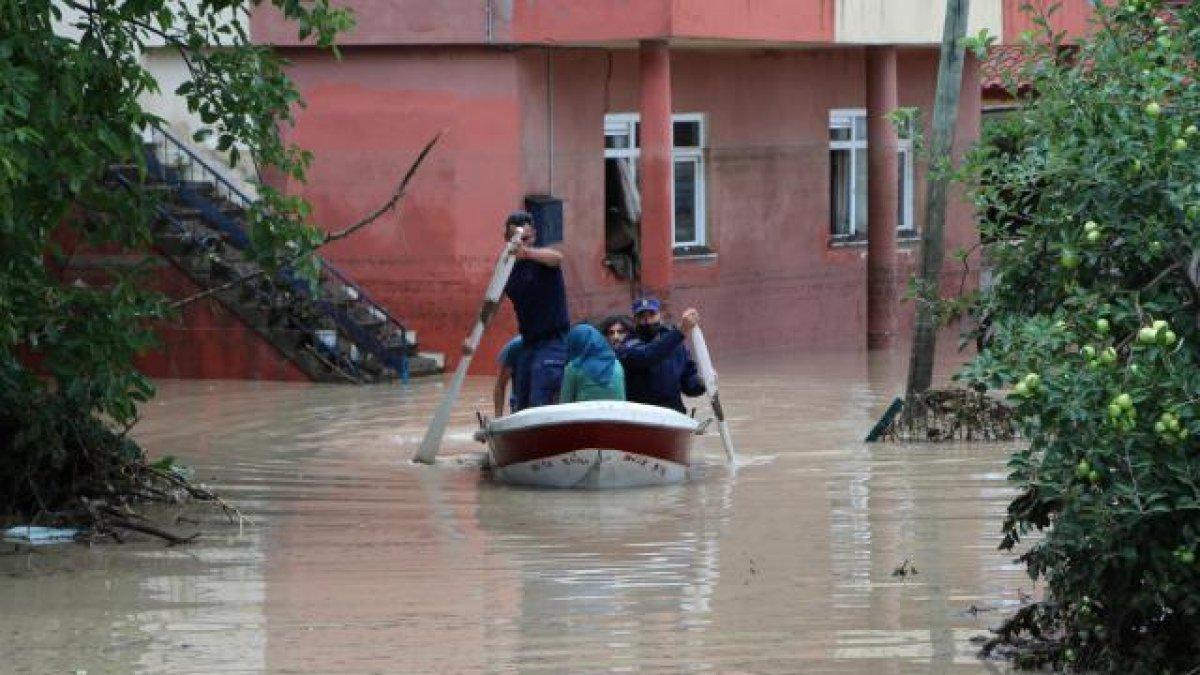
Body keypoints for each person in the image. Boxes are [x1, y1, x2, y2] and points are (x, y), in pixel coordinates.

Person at [502, 210, 569, 409]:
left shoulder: (543, 260)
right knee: (521, 401)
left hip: (554, 340)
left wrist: (527, 252)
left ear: (534, 236)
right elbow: (491, 304)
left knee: (541, 398)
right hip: (528, 342)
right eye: (515, 239)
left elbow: (557, 257)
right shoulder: (507, 269)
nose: (520, 243)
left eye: (525, 238)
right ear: (506, 238)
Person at [616, 297, 705, 414]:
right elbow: (648, 356)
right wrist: (681, 330)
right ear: (635, 319)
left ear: (660, 316)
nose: (647, 321)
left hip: (673, 414)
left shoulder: (676, 346)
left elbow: (689, 386)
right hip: (640, 417)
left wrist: (703, 382)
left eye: (652, 315)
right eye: (642, 317)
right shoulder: (626, 348)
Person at [559, 324, 626, 403]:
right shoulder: (616, 364)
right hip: (616, 414)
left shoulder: (574, 367)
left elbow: (565, 402)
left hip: (584, 414)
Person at [492, 335, 524, 417]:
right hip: (520, 411)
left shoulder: (559, 342)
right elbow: (500, 385)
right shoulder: (516, 346)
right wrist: (498, 419)